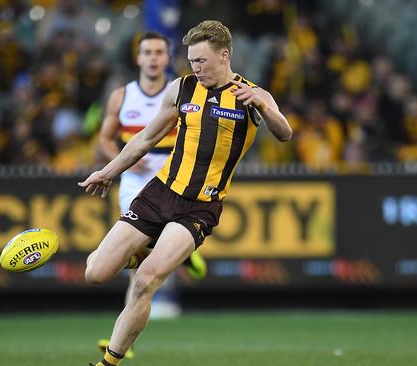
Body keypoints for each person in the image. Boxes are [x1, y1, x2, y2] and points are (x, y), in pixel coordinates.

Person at [79, 20, 292, 366]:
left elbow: (285, 133)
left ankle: (108, 363)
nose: (196, 68)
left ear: (224, 56)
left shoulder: (253, 95)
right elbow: (145, 139)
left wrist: (265, 108)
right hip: (160, 192)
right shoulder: (181, 89)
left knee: (146, 282)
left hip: (200, 207)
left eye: (202, 61)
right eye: (192, 61)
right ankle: (150, 254)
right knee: (96, 273)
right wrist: (107, 172)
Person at [95, 31, 207, 358]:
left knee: (143, 266)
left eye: (160, 52)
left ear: (167, 58)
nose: (154, 57)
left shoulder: (183, 91)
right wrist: (122, 157)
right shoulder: (122, 96)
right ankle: (178, 252)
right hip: (134, 182)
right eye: (148, 52)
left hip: (175, 181)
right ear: (139, 58)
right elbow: (104, 139)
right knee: (138, 262)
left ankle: (121, 343)